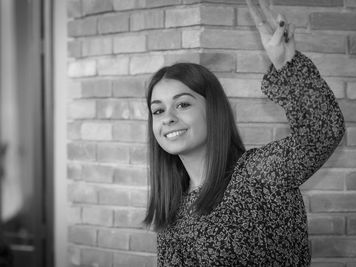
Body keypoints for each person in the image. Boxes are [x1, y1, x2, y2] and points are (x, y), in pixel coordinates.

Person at [143, 0, 345, 265]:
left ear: (213, 111)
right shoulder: (173, 207)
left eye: (182, 104)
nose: (168, 118)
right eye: (158, 111)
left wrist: (286, 63)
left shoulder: (258, 175)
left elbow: (322, 133)